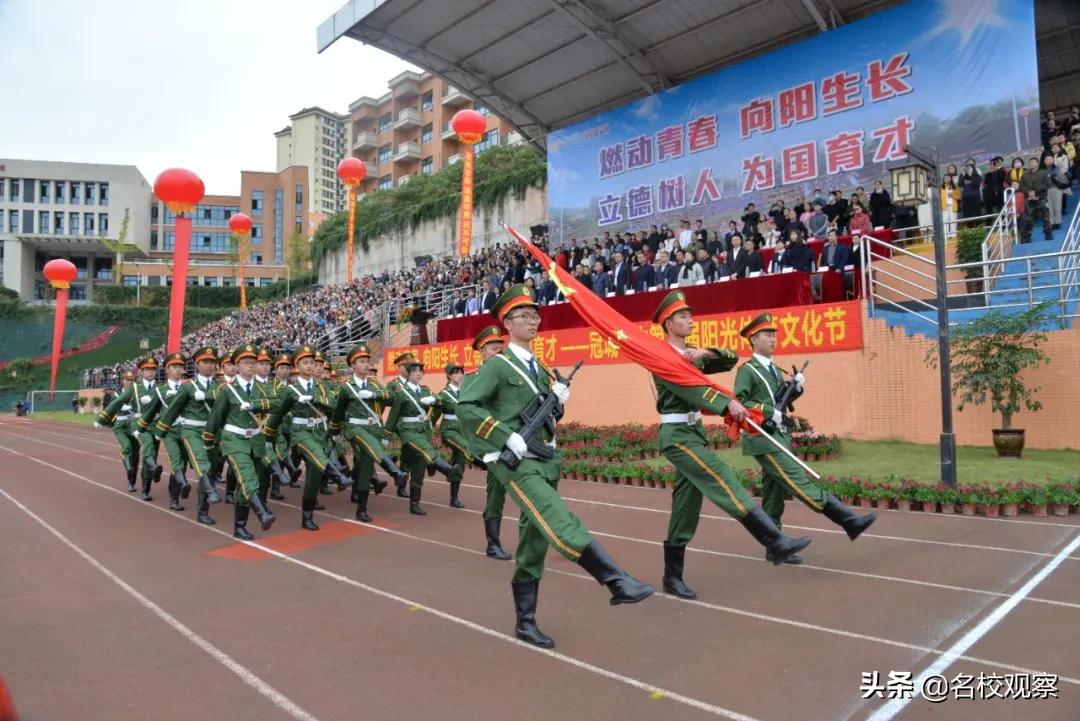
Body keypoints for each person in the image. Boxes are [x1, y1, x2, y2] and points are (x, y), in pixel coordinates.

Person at [457, 284, 655, 649]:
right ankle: (615, 580)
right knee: (558, 518)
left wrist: (558, 401)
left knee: (534, 540)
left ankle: (525, 622)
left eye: (534, 315)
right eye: (523, 316)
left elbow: (545, 416)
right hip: (515, 462)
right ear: (507, 323)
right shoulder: (498, 365)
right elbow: (466, 407)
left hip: (545, 460)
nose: (532, 321)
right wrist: (505, 436)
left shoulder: (541, 367)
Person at [649, 292, 812, 599]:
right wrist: (728, 404)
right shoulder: (661, 356)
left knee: (686, 505)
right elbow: (692, 391)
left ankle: (672, 577)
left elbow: (730, 358)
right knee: (721, 476)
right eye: (683, 316)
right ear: (669, 323)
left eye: (690, 315)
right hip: (676, 437)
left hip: (693, 432)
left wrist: (705, 353)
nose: (690, 320)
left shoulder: (689, 354)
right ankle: (773, 540)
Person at [734, 314, 876, 561]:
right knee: (798, 481)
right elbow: (741, 402)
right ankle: (849, 521)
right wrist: (769, 412)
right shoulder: (747, 370)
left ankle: (775, 545)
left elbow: (782, 402)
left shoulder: (774, 370)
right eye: (767, 335)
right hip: (763, 439)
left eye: (774, 334)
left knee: (774, 493)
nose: (773, 339)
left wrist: (796, 389)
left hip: (780, 436)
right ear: (753, 339)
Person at [262, 345, 353, 531]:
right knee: (317, 453)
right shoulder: (291, 390)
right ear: (297, 365)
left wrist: (314, 399)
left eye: (312, 362)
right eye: (305, 362)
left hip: (320, 430)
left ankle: (307, 517)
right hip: (300, 432)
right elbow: (278, 414)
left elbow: (333, 405)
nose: (310, 366)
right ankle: (338, 477)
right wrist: (268, 436)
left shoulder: (321, 386)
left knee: (313, 477)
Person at [328, 344, 410, 522]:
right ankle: (394, 471)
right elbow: (339, 411)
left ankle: (361, 508)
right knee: (369, 445)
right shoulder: (346, 387)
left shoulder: (374, 384)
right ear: (353, 366)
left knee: (365, 466)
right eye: (361, 362)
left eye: (367, 361)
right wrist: (334, 432)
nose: (366, 365)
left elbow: (391, 397)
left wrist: (372, 395)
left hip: (373, 428)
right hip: (355, 428)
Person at [204, 345, 277, 540]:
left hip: (256, 439)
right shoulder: (227, 390)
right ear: (236, 365)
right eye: (246, 363)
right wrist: (209, 441)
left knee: (245, 485)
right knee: (246, 476)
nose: (250, 367)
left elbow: (277, 403)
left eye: (253, 363)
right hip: (234, 440)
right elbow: (215, 418)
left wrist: (256, 405)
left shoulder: (262, 388)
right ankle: (263, 513)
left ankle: (240, 526)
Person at [150, 346, 223, 525]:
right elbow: (173, 410)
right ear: (197, 364)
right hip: (191, 430)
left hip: (213, 432)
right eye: (205, 362)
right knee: (196, 463)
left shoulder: (220, 386)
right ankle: (189, 502)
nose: (209, 365)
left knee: (212, 469)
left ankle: (203, 508)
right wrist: (160, 432)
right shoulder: (188, 386)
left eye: (212, 362)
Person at [384, 358, 464, 515]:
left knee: (419, 467)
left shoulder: (426, 390)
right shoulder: (401, 392)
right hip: (408, 431)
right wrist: (386, 435)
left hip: (423, 430)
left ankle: (414, 503)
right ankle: (446, 469)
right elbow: (393, 415)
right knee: (423, 450)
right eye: (414, 370)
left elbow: (442, 400)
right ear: (408, 373)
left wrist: (434, 400)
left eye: (420, 370)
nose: (418, 373)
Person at [430, 362, 474, 509]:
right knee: (464, 447)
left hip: (463, 431)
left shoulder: (466, 391)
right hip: (449, 431)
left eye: (461, 372)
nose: (459, 375)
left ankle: (454, 497)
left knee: (459, 464)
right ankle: (479, 461)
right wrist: (429, 433)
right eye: (455, 372)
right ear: (449, 376)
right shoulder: (443, 394)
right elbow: (434, 416)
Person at [95, 369, 140, 493]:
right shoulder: (115, 395)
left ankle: (132, 481)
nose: (130, 383)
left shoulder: (137, 394)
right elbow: (111, 407)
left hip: (133, 426)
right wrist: (122, 407)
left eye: (132, 380)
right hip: (120, 425)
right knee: (127, 448)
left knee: (136, 454)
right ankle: (129, 468)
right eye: (128, 380)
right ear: (122, 381)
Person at [1018, 156, 1053, 242]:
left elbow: (1048, 183)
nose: (1031, 163)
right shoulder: (1024, 175)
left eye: (1033, 162)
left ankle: (1048, 235)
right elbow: (1021, 187)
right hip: (1029, 200)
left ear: (1037, 163)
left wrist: (1035, 191)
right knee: (1028, 220)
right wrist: (1029, 192)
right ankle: (1026, 237)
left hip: (1041, 198)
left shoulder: (1043, 173)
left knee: (1046, 218)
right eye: (1030, 162)